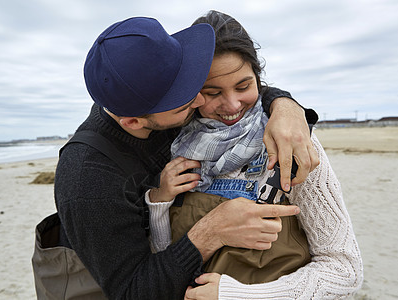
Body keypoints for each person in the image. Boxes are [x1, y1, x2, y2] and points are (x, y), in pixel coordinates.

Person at [35, 16, 319, 299]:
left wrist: (285, 108)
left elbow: (236, 85)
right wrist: (210, 232)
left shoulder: (149, 95)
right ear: (133, 122)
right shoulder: (88, 180)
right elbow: (132, 292)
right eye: (185, 100)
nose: (198, 101)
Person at [146, 11, 363, 300]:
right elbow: (164, 257)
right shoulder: (177, 148)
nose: (232, 104)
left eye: (243, 86)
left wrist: (235, 295)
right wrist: (159, 202)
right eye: (212, 92)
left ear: (258, 79)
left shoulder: (291, 143)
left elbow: (345, 270)